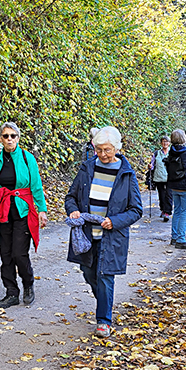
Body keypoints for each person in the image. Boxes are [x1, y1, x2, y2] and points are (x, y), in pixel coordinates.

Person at [64, 127, 142, 338]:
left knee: (105, 277)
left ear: (116, 148)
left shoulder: (126, 174)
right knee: (88, 272)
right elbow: (70, 197)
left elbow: (136, 210)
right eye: (98, 150)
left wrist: (114, 221)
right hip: (87, 235)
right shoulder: (87, 168)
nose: (102, 154)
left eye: (107, 150)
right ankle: (104, 303)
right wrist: (73, 211)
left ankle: (103, 320)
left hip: (112, 236)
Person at [0, 122, 48, 309]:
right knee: (6, 255)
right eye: (5, 136)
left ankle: (28, 284)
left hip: (22, 210)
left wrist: (42, 210)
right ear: (0, 139)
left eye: (13, 136)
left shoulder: (27, 158)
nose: (9, 139)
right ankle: (11, 292)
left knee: (19, 253)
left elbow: (36, 186)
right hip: (2, 211)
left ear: (18, 137)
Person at [148, 135, 172, 221]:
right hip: (158, 177)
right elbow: (152, 165)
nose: (165, 143)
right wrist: (150, 166)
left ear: (169, 143)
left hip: (170, 177)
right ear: (161, 143)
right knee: (162, 195)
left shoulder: (172, 152)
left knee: (169, 195)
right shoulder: (157, 153)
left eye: (166, 141)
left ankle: (167, 212)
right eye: (163, 141)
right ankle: (163, 209)